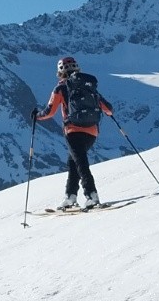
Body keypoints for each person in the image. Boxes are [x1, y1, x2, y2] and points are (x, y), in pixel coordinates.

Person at [34, 56, 114, 209]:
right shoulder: (88, 86)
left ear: (60, 72)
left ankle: (91, 195)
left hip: (73, 131)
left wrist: (36, 116)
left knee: (80, 163)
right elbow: (108, 109)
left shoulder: (61, 88)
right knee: (74, 162)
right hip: (92, 131)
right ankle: (70, 196)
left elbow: (49, 112)